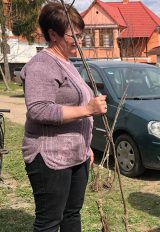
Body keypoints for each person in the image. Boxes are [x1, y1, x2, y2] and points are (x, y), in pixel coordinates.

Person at [20, 2, 107, 231]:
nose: (79, 41)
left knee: (71, 214)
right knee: (49, 222)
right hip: (50, 157)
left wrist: (85, 146)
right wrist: (88, 109)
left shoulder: (67, 63)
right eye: (74, 35)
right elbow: (38, 109)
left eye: (81, 35)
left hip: (75, 155)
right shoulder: (42, 64)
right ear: (53, 34)